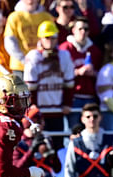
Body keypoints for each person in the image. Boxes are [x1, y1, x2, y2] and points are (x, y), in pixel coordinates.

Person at [24, 20, 75, 149]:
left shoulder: (64, 56)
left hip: (57, 110)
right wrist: (34, 109)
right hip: (40, 112)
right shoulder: (33, 56)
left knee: (58, 146)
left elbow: (69, 84)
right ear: (40, 38)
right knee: (40, 145)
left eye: (53, 38)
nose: (50, 41)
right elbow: (30, 87)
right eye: (47, 37)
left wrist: (67, 103)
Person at [58, 16, 102, 127]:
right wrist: (78, 72)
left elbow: (102, 74)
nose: (83, 32)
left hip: (90, 97)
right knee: (73, 131)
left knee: (91, 129)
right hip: (73, 97)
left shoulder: (95, 50)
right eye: (80, 29)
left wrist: (94, 74)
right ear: (73, 30)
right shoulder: (64, 49)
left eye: (86, 29)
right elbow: (58, 74)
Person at [3, 0, 55, 76]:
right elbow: (9, 42)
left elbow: (53, 39)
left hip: (42, 65)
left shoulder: (46, 17)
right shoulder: (14, 17)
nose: (30, 1)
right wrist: (24, 59)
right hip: (20, 66)